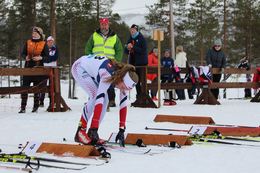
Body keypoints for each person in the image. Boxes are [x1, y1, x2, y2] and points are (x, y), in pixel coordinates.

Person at [72, 54, 138, 146]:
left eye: (126, 89)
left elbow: (123, 104)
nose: (123, 90)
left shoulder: (123, 79)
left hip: (92, 71)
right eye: (123, 87)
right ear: (120, 80)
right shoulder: (107, 74)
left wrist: (121, 129)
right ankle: (80, 131)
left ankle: (91, 133)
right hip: (80, 67)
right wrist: (94, 127)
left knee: (106, 100)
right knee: (95, 96)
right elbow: (99, 100)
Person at [85, 18, 123, 108]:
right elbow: (88, 48)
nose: (104, 26)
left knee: (109, 81)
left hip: (110, 62)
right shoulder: (94, 35)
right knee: (95, 81)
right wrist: (90, 59)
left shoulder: (114, 36)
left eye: (105, 24)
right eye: (102, 24)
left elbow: (119, 50)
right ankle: (93, 99)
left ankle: (111, 100)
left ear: (108, 25)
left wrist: (116, 61)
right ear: (100, 25)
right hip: (96, 63)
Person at [19, 26, 49, 113]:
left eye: (36, 33)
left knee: (36, 88)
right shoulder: (28, 42)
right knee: (25, 88)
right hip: (27, 67)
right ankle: (23, 107)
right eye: (33, 33)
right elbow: (23, 53)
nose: (34, 35)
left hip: (38, 68)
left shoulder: (44, 43)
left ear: (40, 34)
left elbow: (47, 57)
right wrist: (26, 57)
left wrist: (40, 57)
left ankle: (35, 107)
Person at [124, 24, 148, 106]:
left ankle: (145, 97)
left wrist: (133, 47)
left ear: (136, 30)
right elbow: (126, 51)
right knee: (135, 80)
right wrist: (127, 48)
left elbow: (143, 50)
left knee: (142, 81)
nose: (132, 31)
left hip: (141, 63)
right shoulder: (130, 38)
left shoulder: (141, 38)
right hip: (133, 63)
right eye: (131, 30)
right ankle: (139, 98)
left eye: (133, 30)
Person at [39, 36, 59, 109]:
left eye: (52, 41)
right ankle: (41, 101)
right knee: (43, 85)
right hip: (45, 68)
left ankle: (52, 102)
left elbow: (55, 57)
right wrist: (47, 59)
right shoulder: (44, 48)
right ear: (46, 42)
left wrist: (47, 59)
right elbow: (42, 58)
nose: (50, 43)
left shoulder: (55, 48)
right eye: (49, 41)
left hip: (53, 68)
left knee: (52, 86)